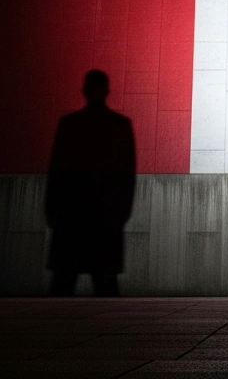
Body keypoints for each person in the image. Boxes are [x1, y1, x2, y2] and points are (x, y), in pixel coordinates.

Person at [45, 69, 137, 296]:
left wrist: (52, 211)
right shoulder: (119, 126)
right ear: (107, 91)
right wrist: (120, 214)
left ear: (84, 90)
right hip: (103, 219)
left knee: (64, 282)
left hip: (72, 216)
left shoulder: (70, 125)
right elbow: (127, 176)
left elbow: (56, 172)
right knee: (105, 284)